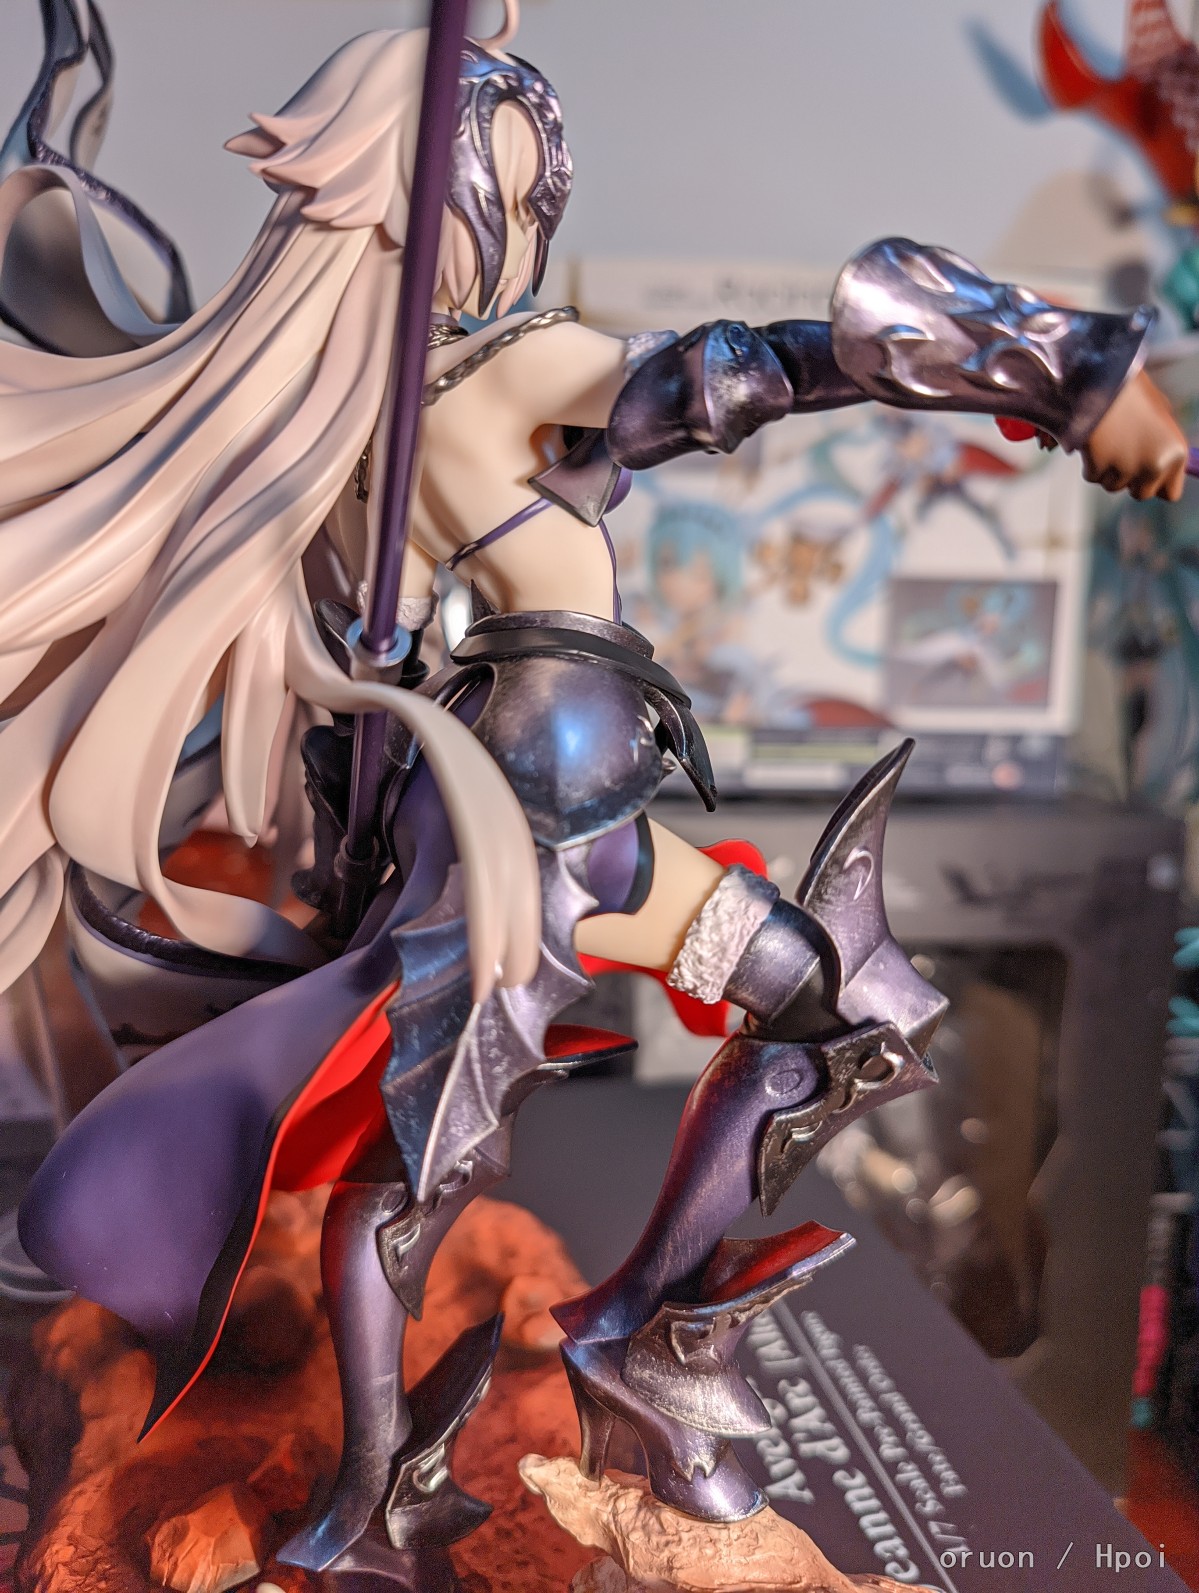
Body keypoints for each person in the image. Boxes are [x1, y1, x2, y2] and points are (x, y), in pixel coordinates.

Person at [3, 5, 1189, 1585]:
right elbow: (780, 363)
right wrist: (1066, 364)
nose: (536, 219)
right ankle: (457, 1440)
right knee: (498, 1137)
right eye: (520, 183)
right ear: (467, 204)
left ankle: (557, 1376)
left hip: (539, 806)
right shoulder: (504, 378)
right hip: (545, 825)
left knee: (468, 1144)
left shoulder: (360, 415)